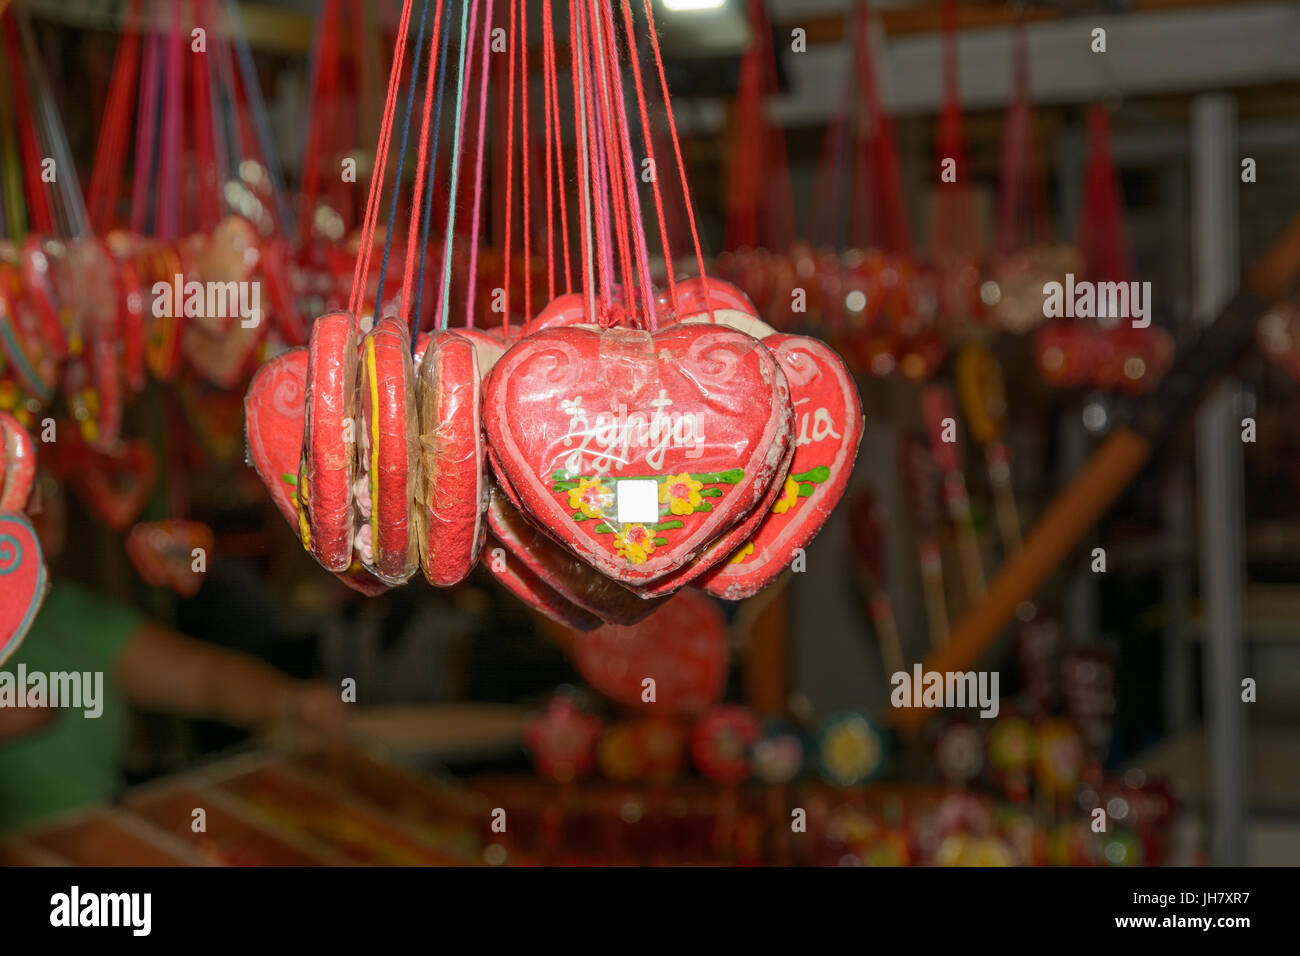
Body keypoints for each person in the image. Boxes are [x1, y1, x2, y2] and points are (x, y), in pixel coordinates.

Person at [0, 580, 346, 831]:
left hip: (108, 828)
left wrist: (290, 700)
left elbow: (201, 678)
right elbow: (27, 711)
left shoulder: (63, 613)